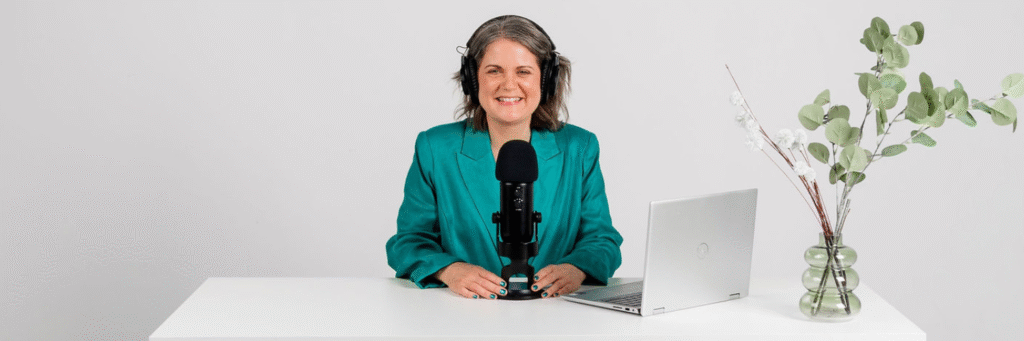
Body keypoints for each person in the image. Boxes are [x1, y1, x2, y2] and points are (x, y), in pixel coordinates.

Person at [385, 15, 622, 300]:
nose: (509, 85)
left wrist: (576, 269)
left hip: (557, 315)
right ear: (472, 80)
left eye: (523, 72)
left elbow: (602, 239)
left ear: (546, 80)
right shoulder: (435, 148)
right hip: (463, 316)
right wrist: (450, 270)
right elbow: (408, 242)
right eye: (494, 71)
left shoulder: (580, 147)